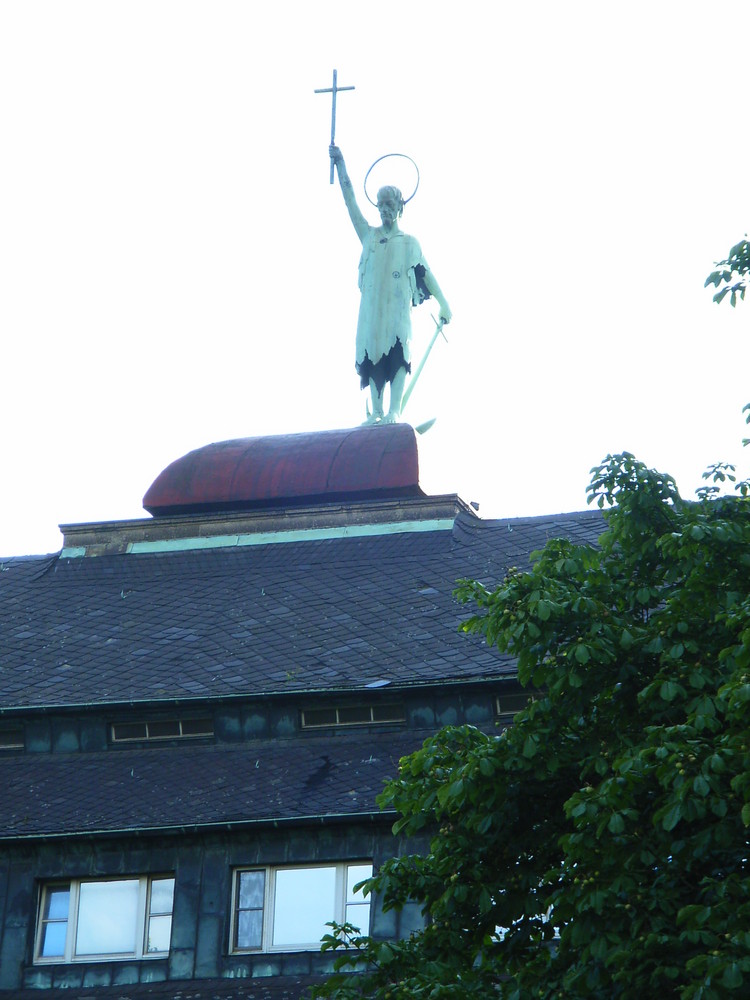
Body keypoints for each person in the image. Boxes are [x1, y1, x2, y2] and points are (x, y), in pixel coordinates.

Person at [330, 145, 452, 424]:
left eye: (390, 206)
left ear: (400, 208)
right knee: (371, 352)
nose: (385, 210)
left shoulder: (410, 243)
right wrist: (341, 166)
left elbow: (426, 274)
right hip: (372, 309)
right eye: (381, 205)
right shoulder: (369, 237)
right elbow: (350, 204)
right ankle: (375, 412)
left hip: (397, 308)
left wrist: (444, 303)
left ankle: (394, 409)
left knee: (398, 350)